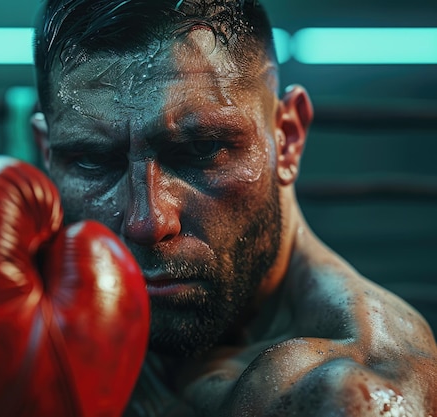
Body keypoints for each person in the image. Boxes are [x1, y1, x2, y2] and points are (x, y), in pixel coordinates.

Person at [30, 0, 437, 415]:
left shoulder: (346, 394)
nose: (147, 221)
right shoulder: (32, 320)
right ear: (46, 152)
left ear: (287, 137)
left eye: (201, 149)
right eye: (92, 160)